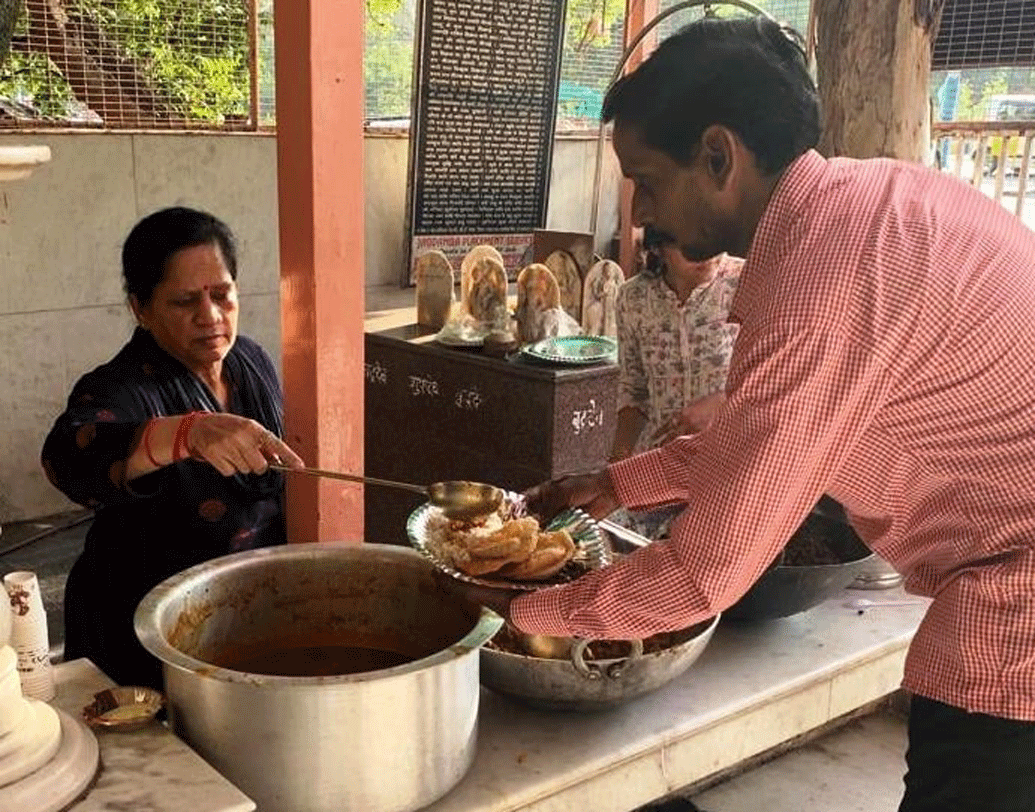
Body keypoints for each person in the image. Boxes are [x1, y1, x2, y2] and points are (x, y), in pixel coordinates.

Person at [441, 17, 1035, 812]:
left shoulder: (819, 289)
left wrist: (509, 610)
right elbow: (770, 440)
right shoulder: (865, 206)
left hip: (1015, 606)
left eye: (647, 180)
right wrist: (618, 482)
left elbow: (703, 572)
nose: (642, 214)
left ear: (718, 155)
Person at [42, 206, 304, 689]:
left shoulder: (249, 359)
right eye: (184, 301)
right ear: (141, 308)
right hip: (143, 633)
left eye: (222, 295)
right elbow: (67, 458)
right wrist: (186, 434)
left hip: (245, 613)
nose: (210, 317)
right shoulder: (118, 389)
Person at [608, 225, 742, 539]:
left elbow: (779, 374)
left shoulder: (745, 284)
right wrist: (617, 466)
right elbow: (633, 389)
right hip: (658, 464)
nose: (708, 255)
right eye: (691, 245)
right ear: (658, 247)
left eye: (716, 241)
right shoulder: (633, 298)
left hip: (729, 467)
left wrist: (722, 403)